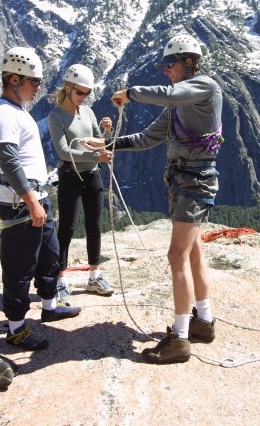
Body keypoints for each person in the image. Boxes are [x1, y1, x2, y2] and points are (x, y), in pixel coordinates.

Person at [93, 33, 223, 364]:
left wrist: (131, 93)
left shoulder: (203, 87)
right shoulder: (179, 107)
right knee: (193, 252)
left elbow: (172, 94)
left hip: (194, 182)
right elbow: (149, 137)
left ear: (189, 62)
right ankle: (203, 322)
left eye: (170, 64)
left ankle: (179, 339)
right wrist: (109, 146)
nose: (165, 70)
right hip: (185, 180)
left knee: (176, 255)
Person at [0, 46, 82, 351]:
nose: (39, 88)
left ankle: (50, 307)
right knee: (19, 267)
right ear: (14, 79)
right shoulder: (3, 115)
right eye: (34, 82)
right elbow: (9, 160)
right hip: (21, 202)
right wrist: (31, 201)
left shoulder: (17, 111)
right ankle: (15, 330)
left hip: (35, 198)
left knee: (49, 255)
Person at [47, 63, 115, 305]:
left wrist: (106, 132)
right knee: (66, 226)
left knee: (94, 225)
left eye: (87, 93)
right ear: (68, 87)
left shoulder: (87, 112)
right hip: (70, 174)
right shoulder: (56, 117)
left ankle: (94, 276)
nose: (84, 97)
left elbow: (98, 142)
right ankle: (61, 280)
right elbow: (64, 152)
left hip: (92, 174)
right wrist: (97, 156)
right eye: (80, 92)